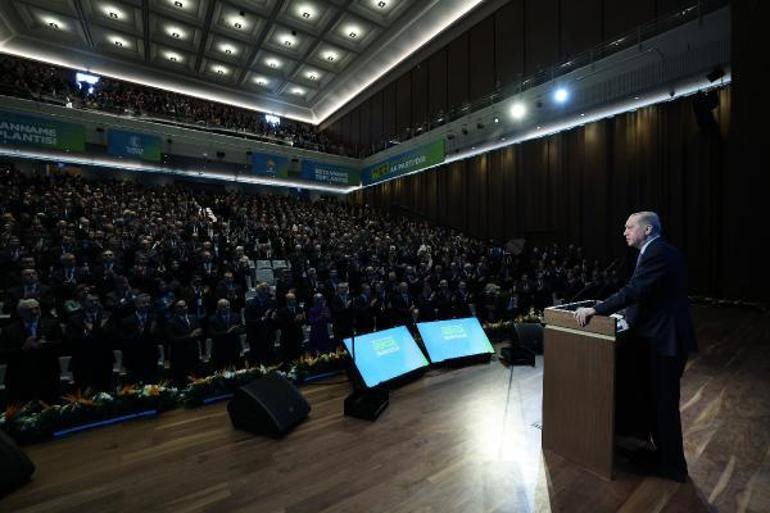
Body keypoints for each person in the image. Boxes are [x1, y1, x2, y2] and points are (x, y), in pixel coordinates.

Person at [574, 211, 697, 483]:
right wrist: (626, 317)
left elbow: (634, 291)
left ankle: (673, 466)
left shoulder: (657, 253)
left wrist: (597, 309)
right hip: (661, 337)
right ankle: (664, 456)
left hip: (665, 341)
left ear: (648, 229)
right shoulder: (659, 251)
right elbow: (646, 295)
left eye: (630, 227)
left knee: (664, 404)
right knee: (656, 402)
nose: (624, 232)